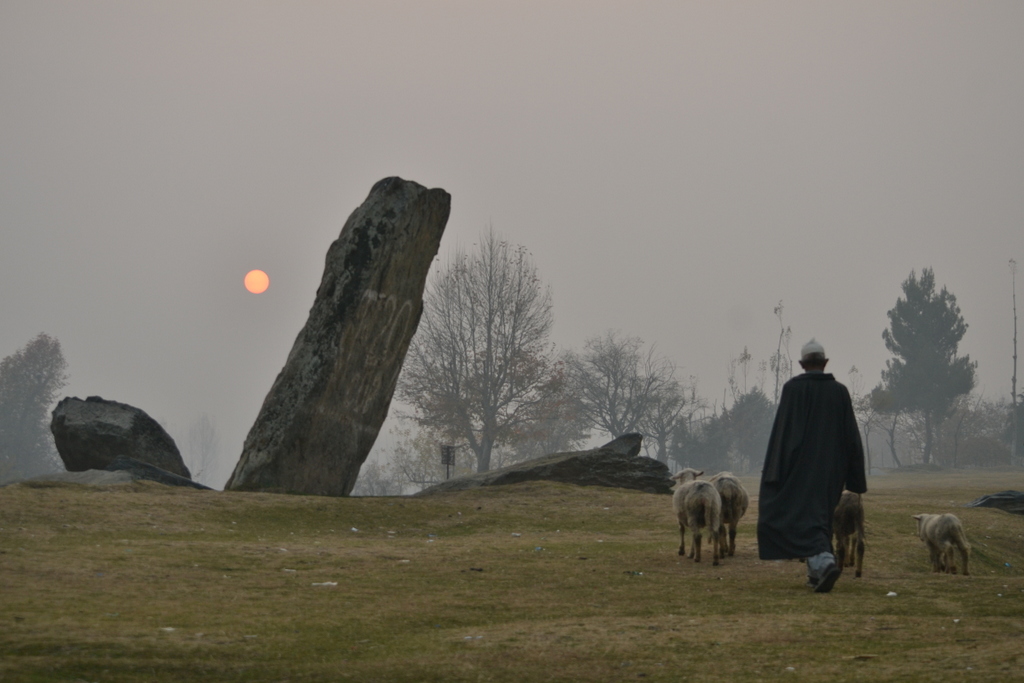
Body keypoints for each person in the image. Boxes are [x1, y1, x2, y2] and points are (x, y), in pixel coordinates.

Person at [757, 339, 867, 593]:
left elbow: (783, 433)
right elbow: (851, 435)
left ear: (801, 364)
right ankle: (815, 572)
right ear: (825, 363)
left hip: (798, 468)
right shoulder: (839, 392)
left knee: (801, 516)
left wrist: (775, 470)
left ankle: (825, 562)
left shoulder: (793, 390)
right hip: (831, 470)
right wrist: (855, 477)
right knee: (821, 517)